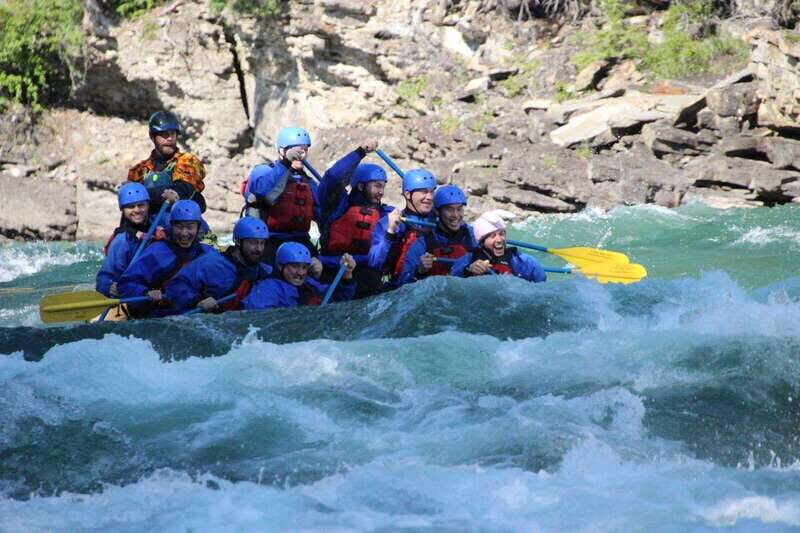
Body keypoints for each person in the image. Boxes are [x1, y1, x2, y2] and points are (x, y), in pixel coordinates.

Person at [118, 199, 213, 318]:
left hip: (192, 312)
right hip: (160, 315)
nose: (184, 233)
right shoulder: (157, 252)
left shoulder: (205, 252)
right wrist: (145, 292)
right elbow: (125, 283)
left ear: (198, 228)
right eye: (179, 227)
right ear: (172, 226)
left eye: (190, 227)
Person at [318, 152, 394, 299]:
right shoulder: (337, 206)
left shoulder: (386, 215)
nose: (381, 192)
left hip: (365, 274)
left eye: (383, 187)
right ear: (360, 186)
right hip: (331, 269)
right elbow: (332, 177)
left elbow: (377, 260)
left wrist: (390, 230)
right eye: (377, 186)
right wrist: (360, 152)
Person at [242, 126, 319, 265]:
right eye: (296, 150)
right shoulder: (263, 171)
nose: (301, 154)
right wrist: (286, 162)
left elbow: (326, 211)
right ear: (282, 151)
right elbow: (264, 192)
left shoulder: (307, 181)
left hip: (301, 241)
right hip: (267, 241)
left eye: (305, 150)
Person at [166, 217, 273, 314]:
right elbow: (176, 284)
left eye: (262, 243)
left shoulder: (266, 272)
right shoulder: (211, 263)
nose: (259, 249)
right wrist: (197, 301)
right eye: (253, 243)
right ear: (238, 242)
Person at [367, 168, 438, 288]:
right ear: (407, 194)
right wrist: (390, 232)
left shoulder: (442, 221)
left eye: (432, 192)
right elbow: (373, 263)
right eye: (424, 192)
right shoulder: (388, 223)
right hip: (398, 286)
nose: (429, 197)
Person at [96, 182, 166, 298]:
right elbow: (105, 277)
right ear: (123, 210)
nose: (137, 210)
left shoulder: (159, 223)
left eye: (141, 205)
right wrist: (109, 287)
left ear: (148, 205)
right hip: (137, 294)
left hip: (162, 289)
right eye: (130, 207)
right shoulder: (122, 240)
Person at [128, 111, 207, 212]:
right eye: (164, 134)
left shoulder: (188, 160)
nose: (169, 138)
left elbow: (183, 188)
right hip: (150, 223)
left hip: (181, 222)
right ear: (152, 137)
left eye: (172, 134)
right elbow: (130, 208)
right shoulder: (138, 171)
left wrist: (144, 194)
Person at [398, 185, 476, 285]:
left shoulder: (469, 236)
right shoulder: (423, 242)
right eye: (449, 209)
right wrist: (419, 271)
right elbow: (403, 282)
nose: (456, 215)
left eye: (459, 209)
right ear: (437, 211)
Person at [242, 242, 356, 310]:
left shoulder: (309, 283)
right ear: (280, 266)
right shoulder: (268, 288)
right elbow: (259, 319)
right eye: (295, 266)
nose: (301, 273)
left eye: (304, 267)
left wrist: (347, 275)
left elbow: (340, 300)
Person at [451, 210, 547, 282]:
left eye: (501, 234)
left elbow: (541, 286)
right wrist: (468, 271)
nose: (499, 239)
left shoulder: (525, 262)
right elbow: (453, 281)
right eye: (493, 236)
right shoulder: (468, 261)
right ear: (482, 241)